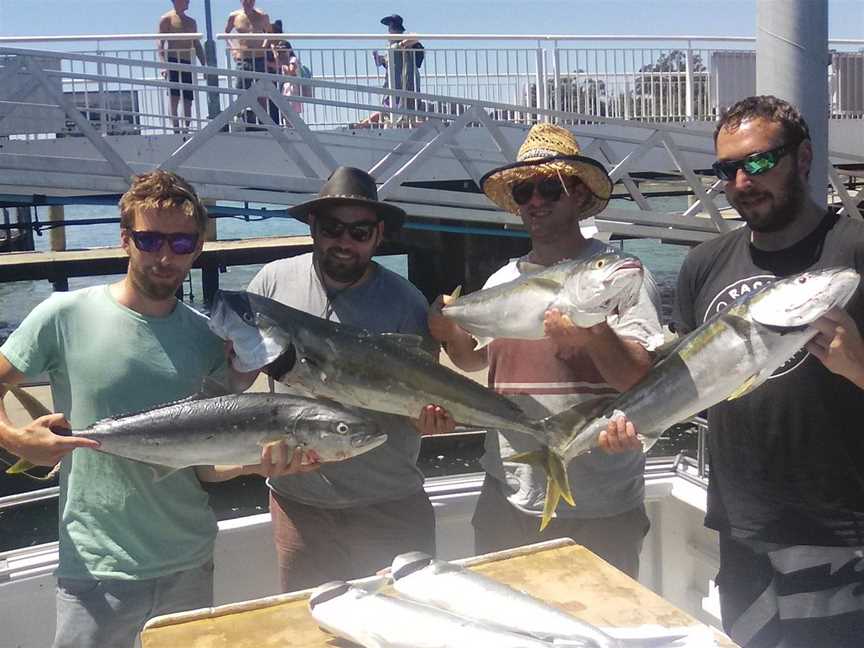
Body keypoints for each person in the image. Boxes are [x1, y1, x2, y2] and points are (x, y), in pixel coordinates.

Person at [0, 170, 306, 648]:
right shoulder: (63, 314)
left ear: (198, 248)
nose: (165, 256)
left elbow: (204, 464)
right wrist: (15, 440)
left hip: (189, 560)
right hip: (96, 567)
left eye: (182, 243)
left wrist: (258, 463)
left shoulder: (208, 338)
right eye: (150, 240)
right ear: (126, 240)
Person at [603, 95, 864, 647]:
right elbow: (691, 383)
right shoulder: (703, 264)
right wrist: (639, 429)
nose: (743, 181)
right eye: (728, 169)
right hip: (740, 524)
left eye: (760, 162)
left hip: (839, 528)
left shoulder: (855, 251)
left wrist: (859, 367)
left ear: (804, 157)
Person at [428, 123, 664, 579]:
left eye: (548, 189)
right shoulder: (501, 282)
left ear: (577, 195)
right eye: (523, 191)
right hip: (506, 491)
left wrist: (594, 334)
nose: (535, 201)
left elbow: (640, 380)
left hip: (599, 501)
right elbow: (477, 361)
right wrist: (449, 331)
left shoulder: (617, 275)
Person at [247, 165, 454, 592]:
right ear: (313, 227)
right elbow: (233, 376)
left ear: (379, 235)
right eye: (332, 228)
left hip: (390, 505)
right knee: (311, 629)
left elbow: (422, 402)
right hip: (299, 507)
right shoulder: (269, 283)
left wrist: (431, 419)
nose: (344, 241)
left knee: (401, 630)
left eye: (359, 232)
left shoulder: (406, 302)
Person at [158, 0, 206, 132]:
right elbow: (160, 44)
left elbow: (196, 44)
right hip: (173, 60)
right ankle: (175, 128)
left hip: (188, 62)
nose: (188, 2)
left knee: (187, 99)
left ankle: (186, 128)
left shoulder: (191, 22)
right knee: (174, 97)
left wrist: (204, 65)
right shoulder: (166, 19)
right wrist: (163, 65)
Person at [225, 0, 272, 122]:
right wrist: (233, 49)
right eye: (246, 0)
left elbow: (270, 33)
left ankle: (263, 122)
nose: (248, 2)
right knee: (241, 90)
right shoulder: (234, 16)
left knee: (262, 92)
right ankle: (242, 120)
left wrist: (264, 45)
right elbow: (226, 34)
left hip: (259, 58)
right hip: (243, 58)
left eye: (251, 0)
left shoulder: (263, 16)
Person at [373, 14, 423, 119]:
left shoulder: (404, 41)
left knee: (404, 115)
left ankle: (360, 125)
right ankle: (361, 124)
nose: (388, 32)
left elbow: (415, 37)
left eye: (390, 28)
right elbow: (385, 62)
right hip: (393, 88)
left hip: (405, 88)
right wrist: (378, 59)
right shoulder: (390, 48)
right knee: (388, 113)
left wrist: (399, 46)